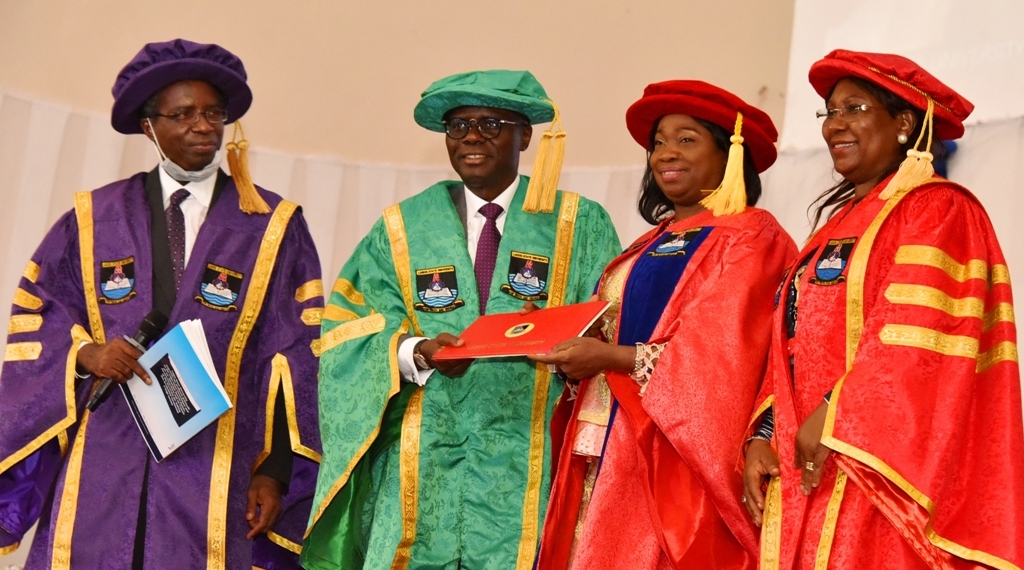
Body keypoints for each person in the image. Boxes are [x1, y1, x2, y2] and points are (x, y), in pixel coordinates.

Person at [0, 39, 323, 569]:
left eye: (213, 114)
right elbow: (42, 312)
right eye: (183, 114)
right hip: (107, 449)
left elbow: (296, 355)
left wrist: (275, 471)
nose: (202, 127)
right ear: (149, 126)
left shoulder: (270, 225)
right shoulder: (95, 217)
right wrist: (87, 354)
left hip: (217, 458)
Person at [303, 70, 621, 570]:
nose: (472, 137)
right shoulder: (402, 226)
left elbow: (613, 326)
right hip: (421, 453)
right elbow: (350, 329)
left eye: (492, 124)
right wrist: (414, 350)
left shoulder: (578, 223)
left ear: (525, 135)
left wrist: (565, 341)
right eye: (458, 126)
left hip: (531, 454)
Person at [742, 50, 1024, 569]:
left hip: (879, 468)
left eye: (854, 108)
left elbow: (917, 341)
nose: (836, 125)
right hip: (806, 467)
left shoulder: (939, 208)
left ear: (904, 123)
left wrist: (836, 412)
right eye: (830, 112)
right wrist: (761, 434)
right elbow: (790, 341)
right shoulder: (831, 227)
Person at [532, 80, 797, 569]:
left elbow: (723, 355)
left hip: (670, 449)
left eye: (686, 139)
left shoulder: (752, 236)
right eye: (658, 142)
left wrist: (610, 357)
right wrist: (568, 342)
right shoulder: (646, 243)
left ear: (731, 154)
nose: (665, 153)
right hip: (605, 438)